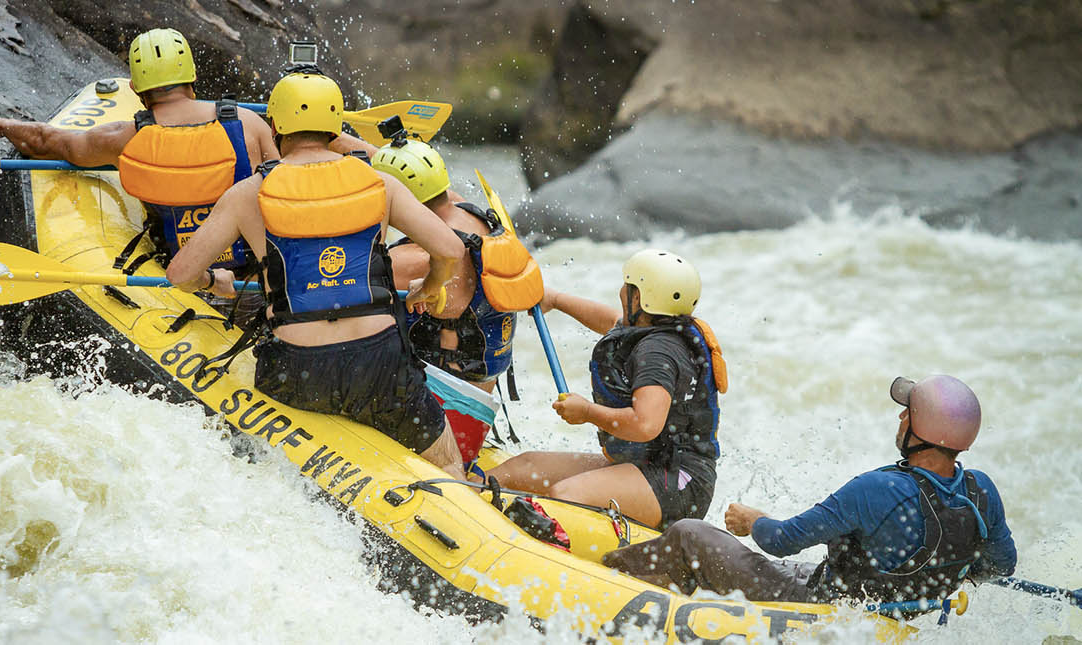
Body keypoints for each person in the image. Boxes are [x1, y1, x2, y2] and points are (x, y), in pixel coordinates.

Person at [164, 69, 468, 478]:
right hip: (378, 365)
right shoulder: (380, 184)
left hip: (296, 369)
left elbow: (180, 273)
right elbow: (451, 249)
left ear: (275, 126)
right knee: (448, 464)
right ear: (335, 128)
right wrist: (430, 285)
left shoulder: (247, 194)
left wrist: (211, 282)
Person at [603, 375, 1016, 606]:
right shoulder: (982, 492)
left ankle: (602, 575)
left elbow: (782, 541)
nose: (901, 417)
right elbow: (1000, 566)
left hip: (820, 606)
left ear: (920, 431)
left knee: (689, 533)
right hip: (894, 613)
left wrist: (754, 521)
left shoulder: (876, 489)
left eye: (908, 413)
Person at [0, 28, 277, 293]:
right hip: (254, 281)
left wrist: (5, 127)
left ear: (135, 88)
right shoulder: (249, 123)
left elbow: (52, 143)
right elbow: (284, 192)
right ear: (192, 76)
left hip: (179, 278)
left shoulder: (124, 138)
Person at [486, 250, 727, 529]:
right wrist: (556, 300)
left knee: (562, 497)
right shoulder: (652, 327)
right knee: (522, 468)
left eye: (628, 286)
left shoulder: (659, 355)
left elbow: (645, 423)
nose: (621, 291)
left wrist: (587, 412)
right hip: (647, 465)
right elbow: (611, 321)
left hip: (676, 481)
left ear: (639, 298)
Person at [368, 128, 540, 471]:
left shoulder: (416, 258)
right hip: (479, 398)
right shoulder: (470, 214)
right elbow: (410, 181)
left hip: (442, 408)